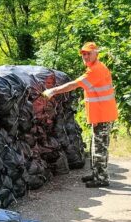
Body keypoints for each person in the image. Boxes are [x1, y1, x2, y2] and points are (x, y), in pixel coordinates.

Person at [42, 42, 118, 187]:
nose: (86, 56)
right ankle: (97, 173)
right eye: (83, 54)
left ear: (96, 53)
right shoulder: (94, 69)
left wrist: (53, 91)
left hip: (103, 115)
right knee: (96, 145)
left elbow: (74, 85)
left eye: (89, 53)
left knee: (100, 147)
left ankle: (102, 178)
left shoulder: (96, 70)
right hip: (100, 114)